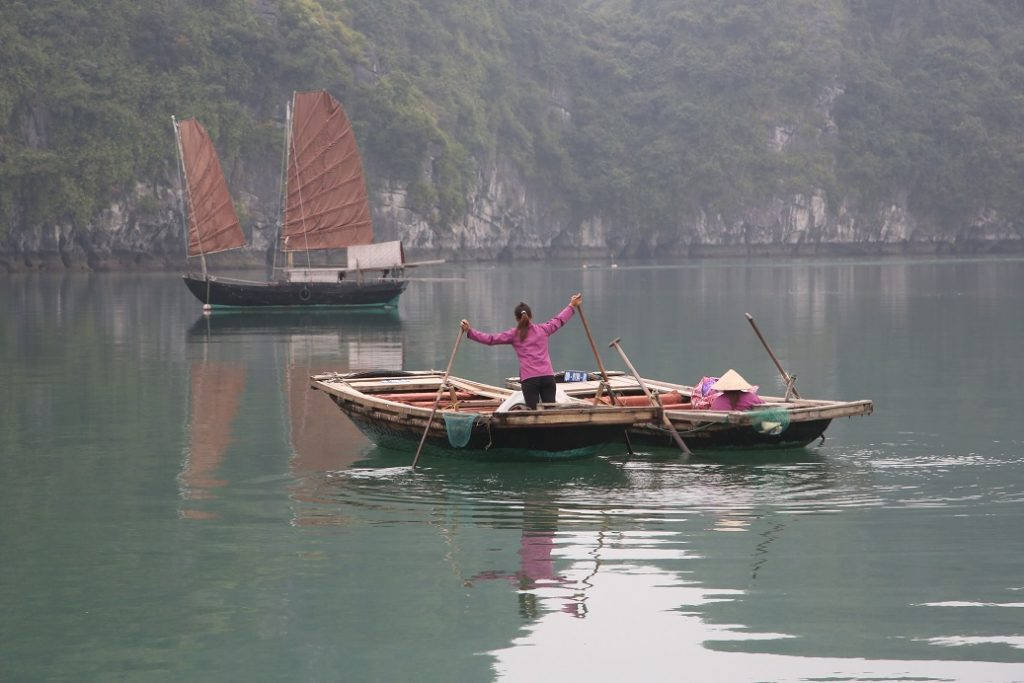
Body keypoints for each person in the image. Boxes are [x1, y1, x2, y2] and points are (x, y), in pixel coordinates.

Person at [461, 293, 582, 409]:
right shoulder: (543, 329)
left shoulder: (514, 335)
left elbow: (491, 339)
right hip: (547, 377)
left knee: (533, 414)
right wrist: (571, 305)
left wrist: (470, 331)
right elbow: (559, 320)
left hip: (529, 380)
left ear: (516, 318)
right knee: (549, 411)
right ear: (531, 316)